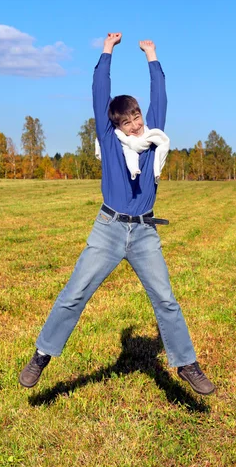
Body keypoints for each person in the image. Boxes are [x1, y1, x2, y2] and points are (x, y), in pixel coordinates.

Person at [19, 33, 215, 396]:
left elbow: (161, 94)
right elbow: (99, 91)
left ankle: (186, 364)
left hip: (144, 232)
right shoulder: (109, 142)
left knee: (166, 299)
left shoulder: (154, 137)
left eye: (137, 116)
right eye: (128, 122)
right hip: (108, 229)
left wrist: (152, 55)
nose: (137, 125)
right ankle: (42, 354)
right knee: (74, 293)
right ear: (116, 126)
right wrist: (106, 51)